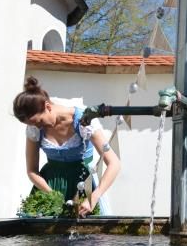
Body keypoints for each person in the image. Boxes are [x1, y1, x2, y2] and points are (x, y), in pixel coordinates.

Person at [13, 76, 121, 217]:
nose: (37, 127)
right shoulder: (34, 128)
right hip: (49, 187)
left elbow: (114, 163)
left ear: (48, 107)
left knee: (86, 237)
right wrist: (52, 195)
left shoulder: (84, 120)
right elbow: (31, 171)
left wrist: (93, 197)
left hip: (82, 187)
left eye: (38, 121)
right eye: (31, 124)